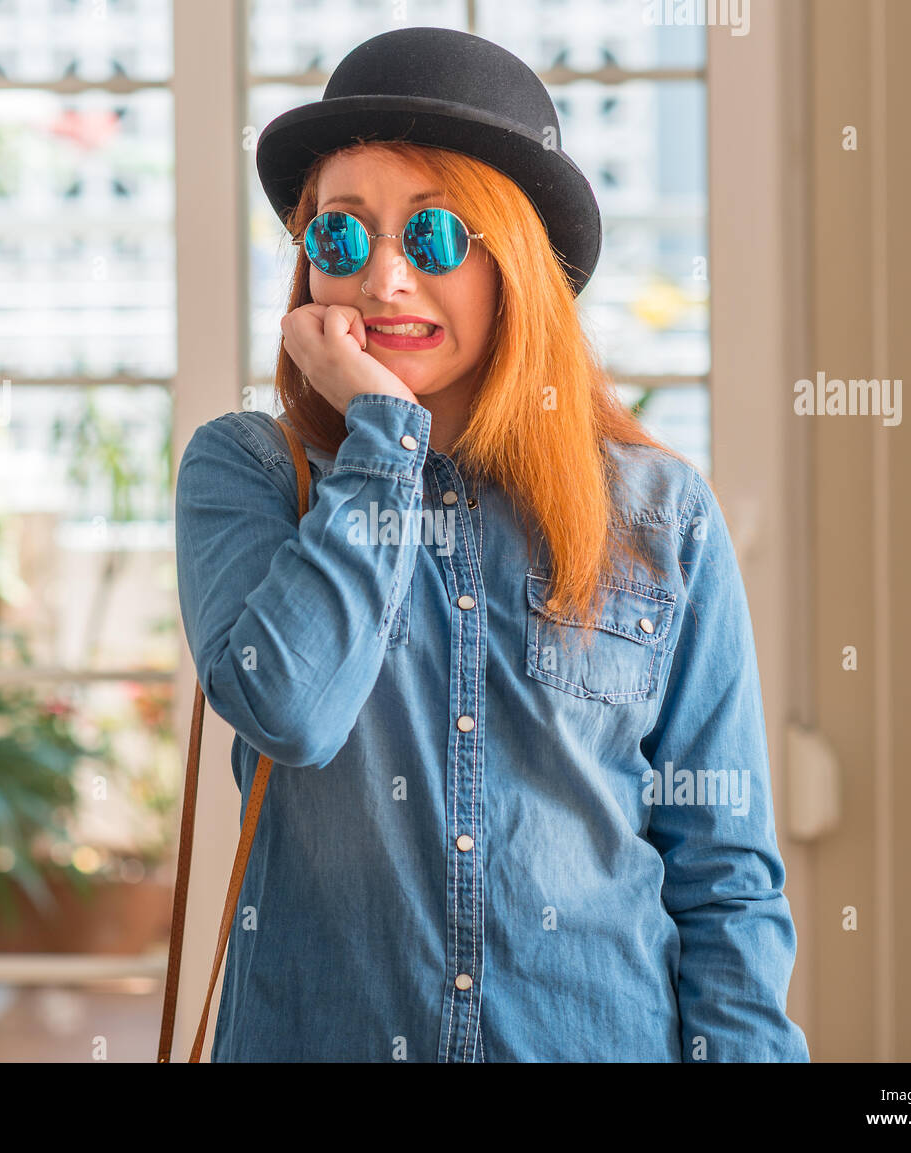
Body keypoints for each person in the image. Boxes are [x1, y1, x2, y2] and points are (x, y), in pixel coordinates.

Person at [175, 26, 809, 1062]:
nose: (382, 281)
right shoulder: (247, 473)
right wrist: (382, 434)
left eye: (432, 238)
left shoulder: (661, 513)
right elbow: (291, 709)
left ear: (513, 264)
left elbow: (722, 871)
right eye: (341, 238)